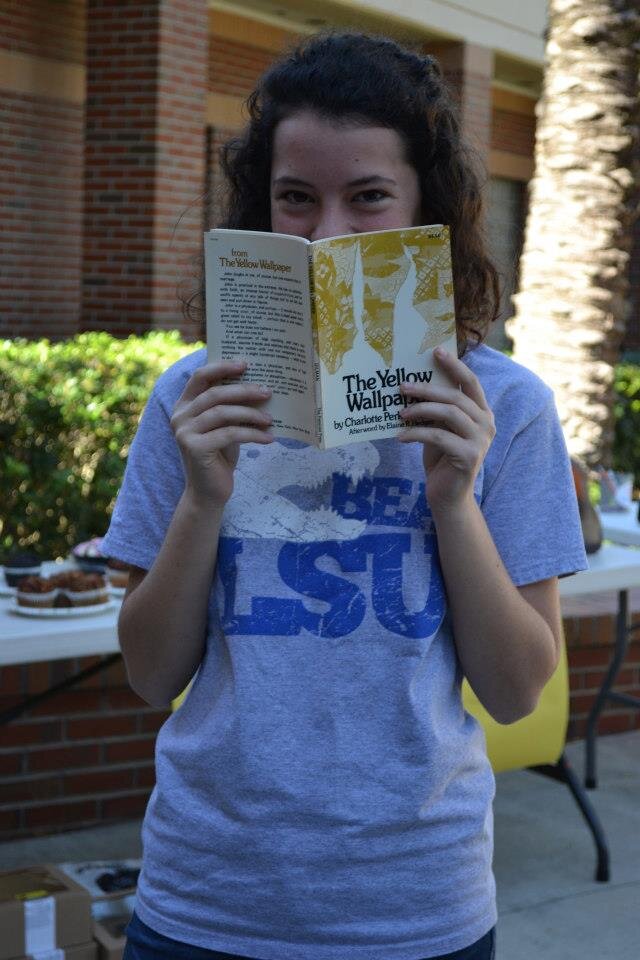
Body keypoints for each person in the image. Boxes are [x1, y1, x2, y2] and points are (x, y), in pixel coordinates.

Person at [104, 31, 587, 960]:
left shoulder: (507, 408)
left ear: (424, 210)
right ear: (260, 209)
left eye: (368, 197)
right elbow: (149, 674)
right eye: (296, 198)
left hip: (415, 907)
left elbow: (519, 689)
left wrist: (454, 500)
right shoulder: (194, 398)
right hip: (204, 896)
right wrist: (205, 497)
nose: (326, 235)